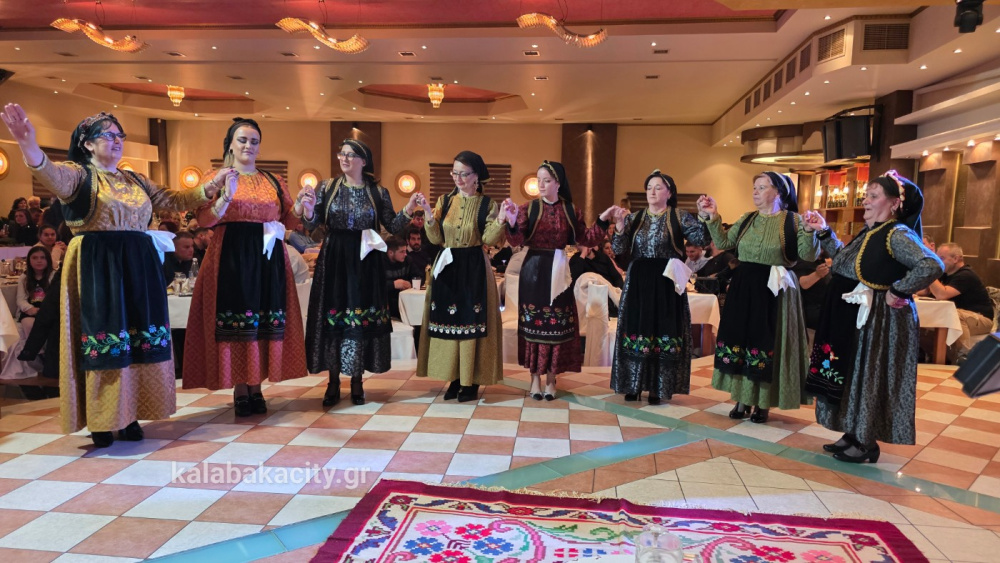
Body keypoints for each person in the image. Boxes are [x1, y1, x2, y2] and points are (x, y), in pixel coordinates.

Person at [1, 104, 219, 447]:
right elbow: (50, 174)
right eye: (108, 135)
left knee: (136, 337)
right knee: (104, 337)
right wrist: (27, 143)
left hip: (137, 265)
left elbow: (174, 199)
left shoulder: (135, 179)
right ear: (87, 143)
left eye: (120, 136)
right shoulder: (78, 176)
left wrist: (210, 186)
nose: (117, 141)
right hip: (98, 265)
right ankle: (101, 418)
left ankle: (130, 413)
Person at [804, 171, 943, 463]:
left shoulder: (897, 234)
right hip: (853, 316)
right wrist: (824, 232)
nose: (865, 200)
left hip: (877, 320)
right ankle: (853, 431)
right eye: (866, 195)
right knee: (852, 373)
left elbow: (931, 264)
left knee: (867, 374)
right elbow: (845, 264)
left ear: (894, 204)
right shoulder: (871, 232)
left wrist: (899, 289)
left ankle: (866, 441)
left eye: (873, 196)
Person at [182, 117, 307, 417]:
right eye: (242, 140)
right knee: (237, 320)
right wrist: (225, 196)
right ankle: (241, 387)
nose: (248, 145)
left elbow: (289, 219)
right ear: (230, 144)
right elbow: (205, 220)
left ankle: (257, 386)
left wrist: (303, 206)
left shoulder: (273, 180)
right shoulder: (216, 177)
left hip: (268, 257)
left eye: (254, 141)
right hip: (231, 254)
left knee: (263, 319)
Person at [294, 138, 416, 406]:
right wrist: (309, 209)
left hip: (366, 260)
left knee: (359, 319)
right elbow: (312, 224)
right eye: (342, 154)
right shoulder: (328, 186)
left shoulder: (378, 191)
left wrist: (408, 209)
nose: (344, 158)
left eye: (351, 155)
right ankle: (333, 381)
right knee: (334, 317)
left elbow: (393, 225)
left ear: (363, 161)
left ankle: (357, 381)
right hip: (335, 257)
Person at [697, 172, 819, 423]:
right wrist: (712, 216)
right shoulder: (747, 218)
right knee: (742, 342)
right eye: (754, 187)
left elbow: (808, 255)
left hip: (775, 289)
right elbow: (724, 241)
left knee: (766, 342)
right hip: (745, 286)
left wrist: (809, 231)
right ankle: (742, 398)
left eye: (762, 187)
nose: (755, 191)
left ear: (779, 192)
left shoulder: (793, 221)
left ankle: (763, 402)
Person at [602, 170, 709, 404]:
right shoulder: (635, 218)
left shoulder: (679, 216)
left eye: (658, 187)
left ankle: (658, 387)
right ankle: (633, 384)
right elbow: (618, 249)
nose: (652, 191)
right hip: (639, 279)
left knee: (663, 328)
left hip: (666, 280)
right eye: (649, 187)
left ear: (669, 193)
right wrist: (619, 225)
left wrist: (704, 215)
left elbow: (702, 239)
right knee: (636, 326)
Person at [415, 150, 511, 402]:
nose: (458, 178)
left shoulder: (487, 204)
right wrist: (428, 213)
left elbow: (489, 239)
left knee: (472, 321)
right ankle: (454, 377)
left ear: (476, 176)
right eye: (454, 173)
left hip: (474, 267)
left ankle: (470, 380)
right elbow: (436, 238)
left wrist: (501, 219)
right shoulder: (445, 201)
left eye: (464, 174)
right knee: (448, 321)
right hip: (447, 266)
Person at [505, 161, 606, 400]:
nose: (541, 184)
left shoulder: (571, 210)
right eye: (538, 180)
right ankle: (534, 378)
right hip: (533, 270)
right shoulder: (528, 208)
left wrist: (602, 220)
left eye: (547, 180)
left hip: (559, 271)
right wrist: (511, 222)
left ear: (558, 183)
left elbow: (585, 238)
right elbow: (515, 240)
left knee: (556, 327)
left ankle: (551, 378)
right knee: (534, 325)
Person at [924, 243, 994, 363]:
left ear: (956, 259)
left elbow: (942, 294)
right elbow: (925, 291)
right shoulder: (944, 275)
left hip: (981, 318)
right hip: (959, 316)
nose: (938, 262)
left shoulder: (966, 275)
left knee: (954, 315)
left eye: (941, 258)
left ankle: (964, 357)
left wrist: (930, 273)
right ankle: (934, 357)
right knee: (922, 319)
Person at [384, 235, 420, 319]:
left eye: (405, 251)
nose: (405, 254)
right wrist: (393, 284)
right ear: (390, 252)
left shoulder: (407, 260)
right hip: (387, 305)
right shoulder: (380, 264)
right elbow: (374, 286)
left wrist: (410, 283)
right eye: (402, 252)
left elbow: (419, 276)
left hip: (406, 302)